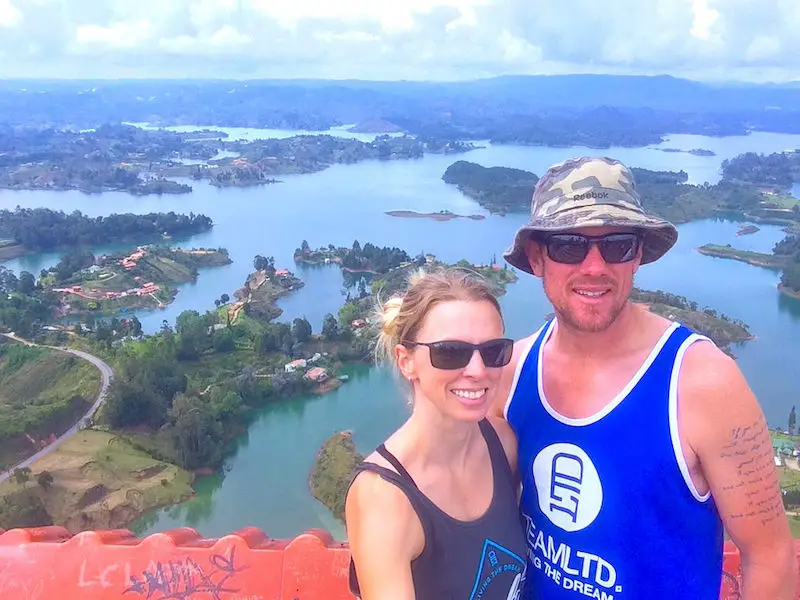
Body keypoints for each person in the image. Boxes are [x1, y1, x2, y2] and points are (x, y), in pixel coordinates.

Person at [492, 156, 797, 599]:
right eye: (568, 246)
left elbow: (769, 555)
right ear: (538, 258)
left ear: (636, 255)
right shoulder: (514, 372)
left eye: (615, 245)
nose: (594, 267)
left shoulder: (701, 383)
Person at [345, 267, 528, 600]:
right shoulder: (385, 499)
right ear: (406, 361)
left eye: (493, 352)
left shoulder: (503, 445)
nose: (477, 370)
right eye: (450, 352)